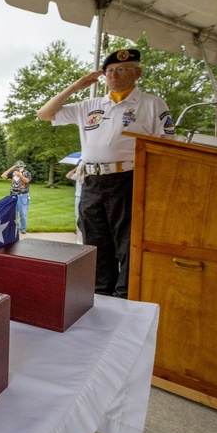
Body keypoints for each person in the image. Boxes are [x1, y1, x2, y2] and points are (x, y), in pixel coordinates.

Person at [38, 48, 175, 297]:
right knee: (95, 243)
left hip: (127, 179)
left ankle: (125, 295)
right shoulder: (90, 105)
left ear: (138, 73)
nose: (114, 74)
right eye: (110, 71)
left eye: (122, 69)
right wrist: (76, 86)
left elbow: (168, 147)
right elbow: (44, 114)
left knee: (127, 244)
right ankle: (101, 294)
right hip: (91, 182)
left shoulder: (152, 104)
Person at [1, 161, 32, 232]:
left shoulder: (27, 173)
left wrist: (20, 176)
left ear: (23, 167)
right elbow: (3, 175)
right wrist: (11, 169)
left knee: (23, 213)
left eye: (21, 167)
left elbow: (27, 181)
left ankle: (23, 228)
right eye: (18, 167)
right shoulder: (13, 173)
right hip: (13, 194)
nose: (19, 168)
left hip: (22, 195)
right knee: (13, 212)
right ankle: (16, 227)